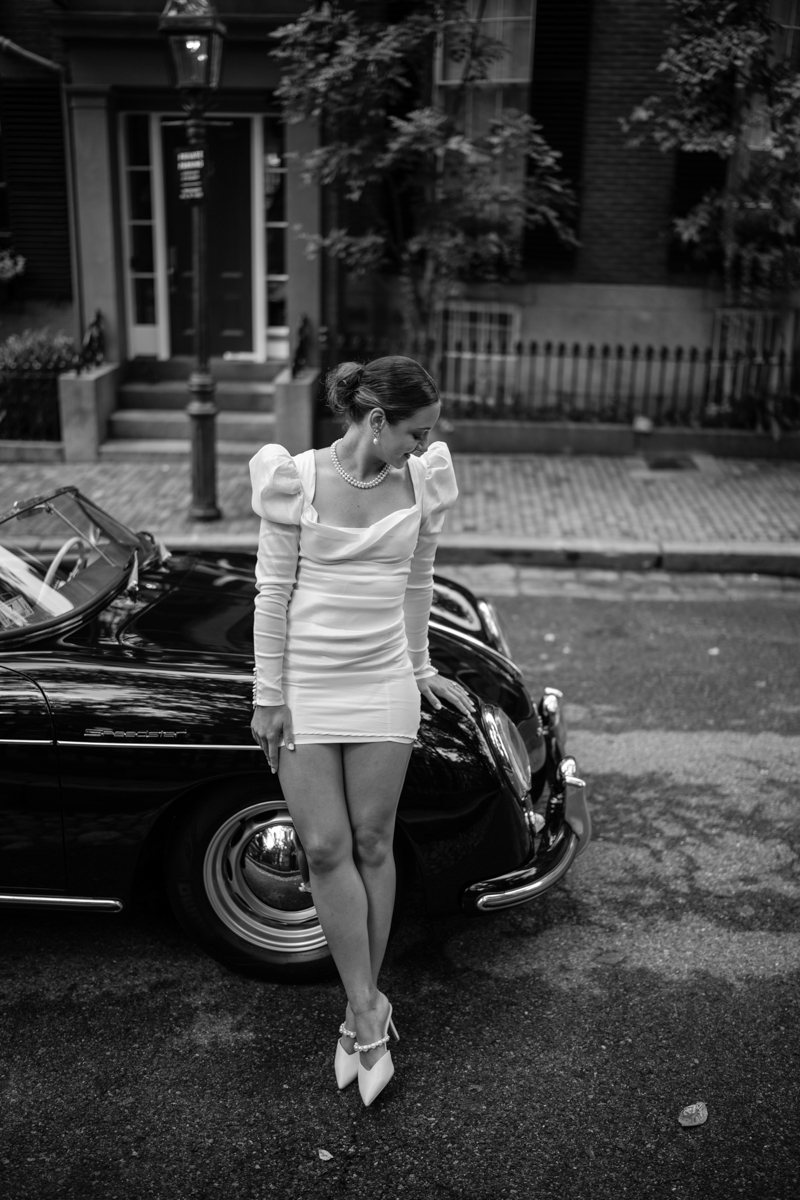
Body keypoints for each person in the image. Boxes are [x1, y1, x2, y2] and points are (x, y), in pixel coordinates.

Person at [249, 355, 473, 1106]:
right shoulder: (295, 479)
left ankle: (361, 1013)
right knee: (323, 845)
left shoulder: (422, 482)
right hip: (307, 685)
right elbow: (273, 593)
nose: (424, 445)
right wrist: (268, 697)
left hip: (382, 683)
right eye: (415, 432)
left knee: (373, 842)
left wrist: (419, 670)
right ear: (375, 420)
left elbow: (419, 583)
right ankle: (369, 1003)